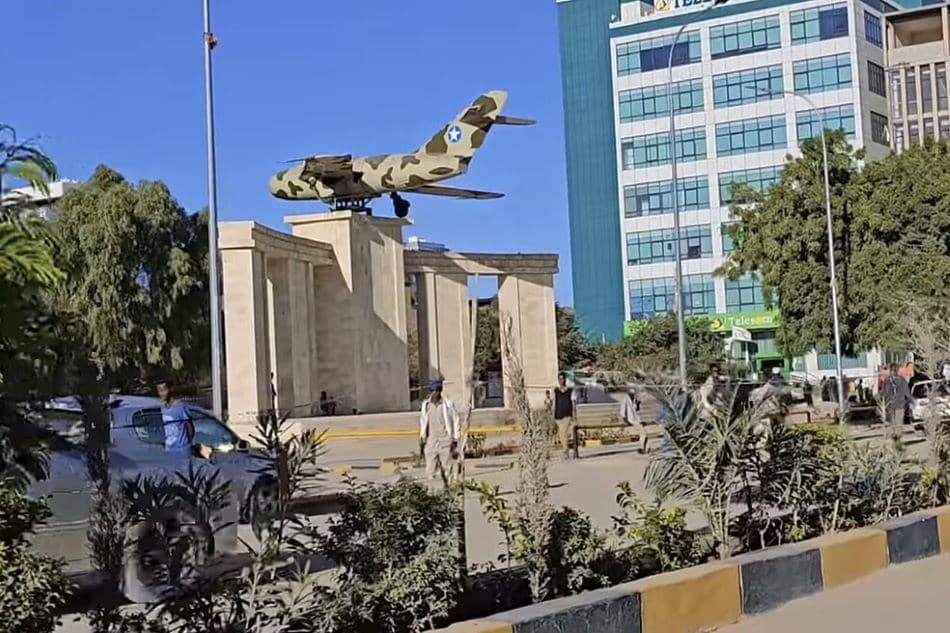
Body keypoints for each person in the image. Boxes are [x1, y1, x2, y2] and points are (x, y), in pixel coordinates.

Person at [419, 379, 460, 484]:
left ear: (440, 390)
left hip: (445, 440)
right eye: (432, 390)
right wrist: (422, 437)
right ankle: (431, 492)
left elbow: (456, 420)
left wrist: (455, 438)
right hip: (431, 440)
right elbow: (423, 421)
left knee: (447, 468)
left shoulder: (447, 404)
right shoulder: (426, 405)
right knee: (430, 469)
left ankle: (448, 490)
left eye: (436, 390)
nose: (434, 392)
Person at [157, 380, 195, 454]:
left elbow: (190, 428)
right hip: (169, 450)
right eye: (159, 391)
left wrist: (187, 445)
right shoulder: (163, 408)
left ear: (171, 389)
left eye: (164, 390)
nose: (161, 393)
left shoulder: (181, 407)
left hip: (182, 450)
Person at [552, 372, 577, 458]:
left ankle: (565, 451)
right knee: (561, 434)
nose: (561, 381)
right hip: (558, 415)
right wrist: (553, 414)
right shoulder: (556, 391)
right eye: (559, 379)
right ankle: (566, 449)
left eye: (562, 379)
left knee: (564, 432)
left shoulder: (570, 391)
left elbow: (573, 404)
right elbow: (554, 403)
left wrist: (574, 416)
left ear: (565, 380)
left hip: (567, 414)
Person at [619, 387, 647, 453]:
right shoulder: (625, 399)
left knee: (643, 433)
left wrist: (638, 403)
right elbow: (623, 411)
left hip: (635, 419)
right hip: (632, 419)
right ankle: (642, 448)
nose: (633, 395)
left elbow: (636, 409)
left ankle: (644, 448)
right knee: (643, 433)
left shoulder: (633, 399)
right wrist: (625, 420)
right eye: (632, 394)